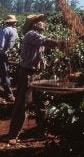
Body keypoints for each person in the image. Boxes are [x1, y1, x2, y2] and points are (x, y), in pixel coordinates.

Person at [7, 16, 67, 144]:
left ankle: (41, 130)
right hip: (27, 74)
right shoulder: (31, 34)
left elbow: (41, 55)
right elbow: (47, 42)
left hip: (37, 73)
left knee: (41, 102)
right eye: (40, 21)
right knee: (23, 103)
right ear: (34, 24)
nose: (43, 23)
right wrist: (62, 43)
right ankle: (13, 134)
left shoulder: (37, 37)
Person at [0, 15, 18, 103]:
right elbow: (11, 46)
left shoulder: (2, 29)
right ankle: (9, 96)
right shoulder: (12, 30)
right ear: (13, 22)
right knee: (4, 75)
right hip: (1, 54)